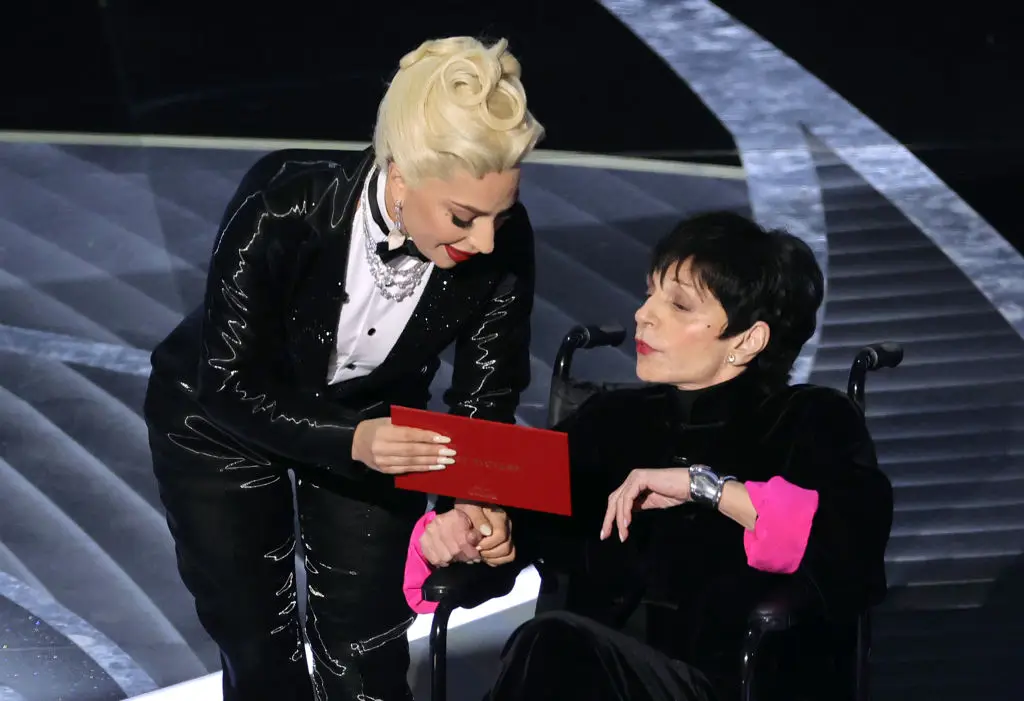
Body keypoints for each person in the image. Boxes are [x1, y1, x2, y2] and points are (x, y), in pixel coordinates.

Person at [143, 36, 544, 701]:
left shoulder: (503, 247)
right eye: (464, 218)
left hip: (375, 423)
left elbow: (487, 393)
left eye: (501, 217)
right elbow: (229, 377)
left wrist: (475, 499)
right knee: (257, 641)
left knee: (369, 648)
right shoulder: (284, 203)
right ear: (401, 172)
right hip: (221, 421)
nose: (486, 242)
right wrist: (348, 439)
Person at [407, 211, 895, 700]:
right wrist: (467, 532)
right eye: (650, 293)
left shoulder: (810, 420)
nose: (644, 314)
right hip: (586, 675)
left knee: (554, 644)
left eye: (679, 305)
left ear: (748, 340)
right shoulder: (609, 420)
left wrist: (703, 487)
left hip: (724, 685)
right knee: (554, 645)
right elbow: (515, 521)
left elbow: (846, 549)